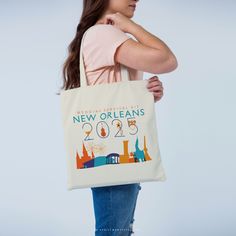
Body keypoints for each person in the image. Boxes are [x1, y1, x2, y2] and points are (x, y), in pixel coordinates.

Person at [60, 0, 178, 235]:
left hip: (111, 149)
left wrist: (144, 96)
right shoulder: (103, 33)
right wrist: (131, 26)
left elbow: (112, 90)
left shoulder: (101, 33)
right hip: (113, 153)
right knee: (114, 230)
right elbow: (167, 60)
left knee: (119, 229)